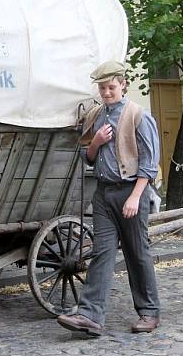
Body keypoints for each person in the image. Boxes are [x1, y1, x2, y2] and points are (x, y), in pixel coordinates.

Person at [56, 61, 161, 336]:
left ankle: (149, 313)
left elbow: (150, 163)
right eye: (102, 88)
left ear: (123, 84)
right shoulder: (96, 116)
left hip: (130, 192)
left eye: (111, 87)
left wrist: (136, 197)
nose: (106, 93)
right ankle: (90, 316)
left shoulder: (138, 115)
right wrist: (96, 143)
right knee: (101, 251)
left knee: (137, 253)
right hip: (103, 193)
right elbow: (87, 158)